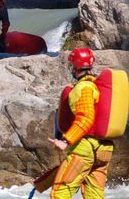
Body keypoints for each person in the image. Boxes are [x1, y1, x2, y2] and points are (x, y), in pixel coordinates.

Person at [48, 48, 114, 199]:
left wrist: (66, 141)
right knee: (94, 196)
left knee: (59, 194)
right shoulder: (97, 86)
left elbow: (86, 118)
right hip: (103, 151)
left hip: (84, 150)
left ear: (74, 67)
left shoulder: (83, 87)